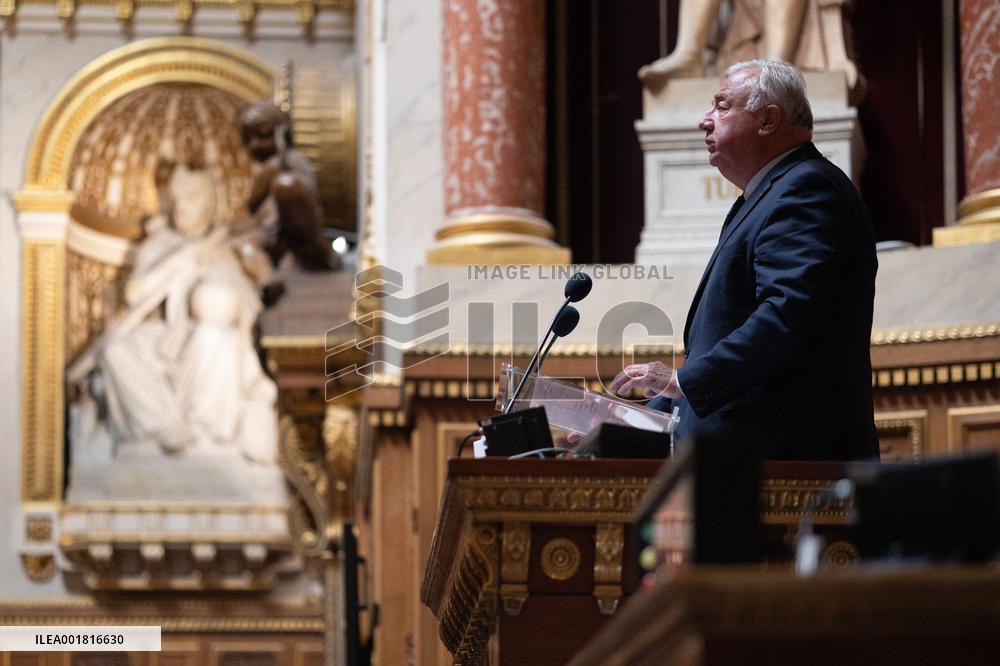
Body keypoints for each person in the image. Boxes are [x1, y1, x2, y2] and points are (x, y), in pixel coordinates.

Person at [611, 59, 878, 461]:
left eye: (721, 105)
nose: (705, 121)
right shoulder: (764, 196)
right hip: (742, 459)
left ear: (768, 120)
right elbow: (715, 356)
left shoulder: (807, 188)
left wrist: (682, 381)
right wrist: (628, 423)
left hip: (789, 464)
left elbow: (785, 318)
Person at [67, 161, 279, 465]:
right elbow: (134, 294)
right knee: (115, 352)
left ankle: (206, 430)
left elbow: (244, 306)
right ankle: (163, 427)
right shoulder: (158, 244)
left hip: (201, 338)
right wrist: (186, 257)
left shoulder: (224, 250)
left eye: (191, 198)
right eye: (176, 199)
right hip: (161, 336)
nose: (181, 208)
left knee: (216, 336)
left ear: (209, 203)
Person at [236, 101, 339, 272]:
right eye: (248, 138)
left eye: (264, 136)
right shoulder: (249, 168)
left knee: (287, 184)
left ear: (282, 134)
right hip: (263, 239)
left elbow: (249, 207)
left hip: (294, 244)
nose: (255, 144)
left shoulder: (290, 161)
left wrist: (279, 155)